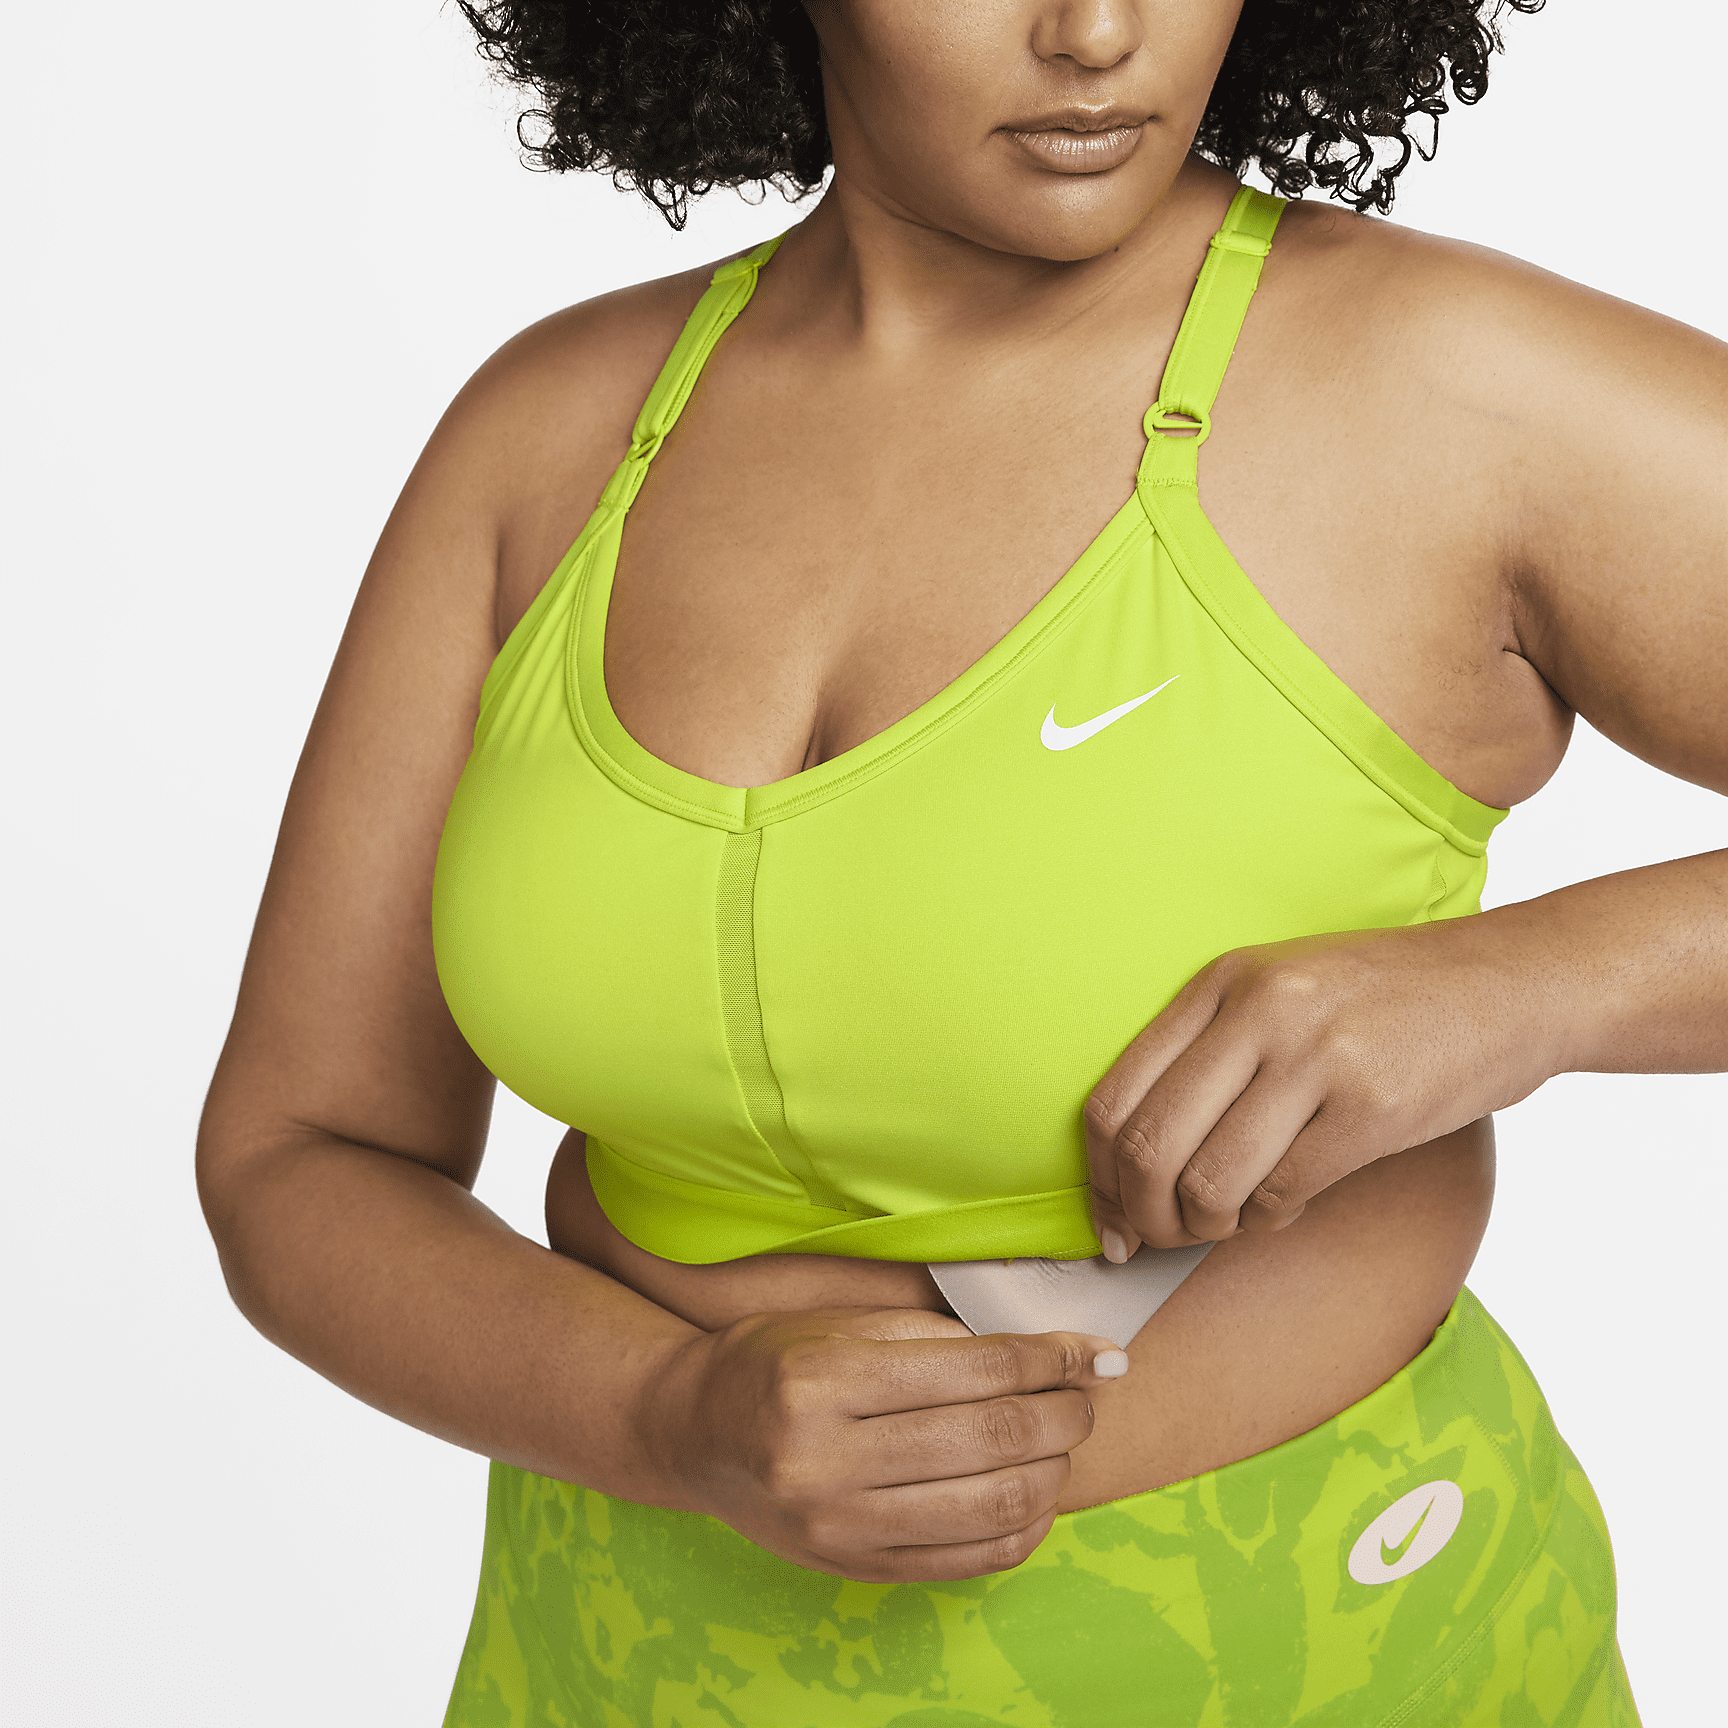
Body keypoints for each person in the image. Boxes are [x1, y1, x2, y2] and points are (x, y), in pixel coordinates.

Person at [196, 2, 1725, 1723]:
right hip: (618, 1660)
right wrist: (667, 1420)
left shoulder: (1455, 390)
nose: (1099, 33)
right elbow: (302, 1152)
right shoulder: (549, 437)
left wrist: (1527, 988)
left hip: (1332, 1649)